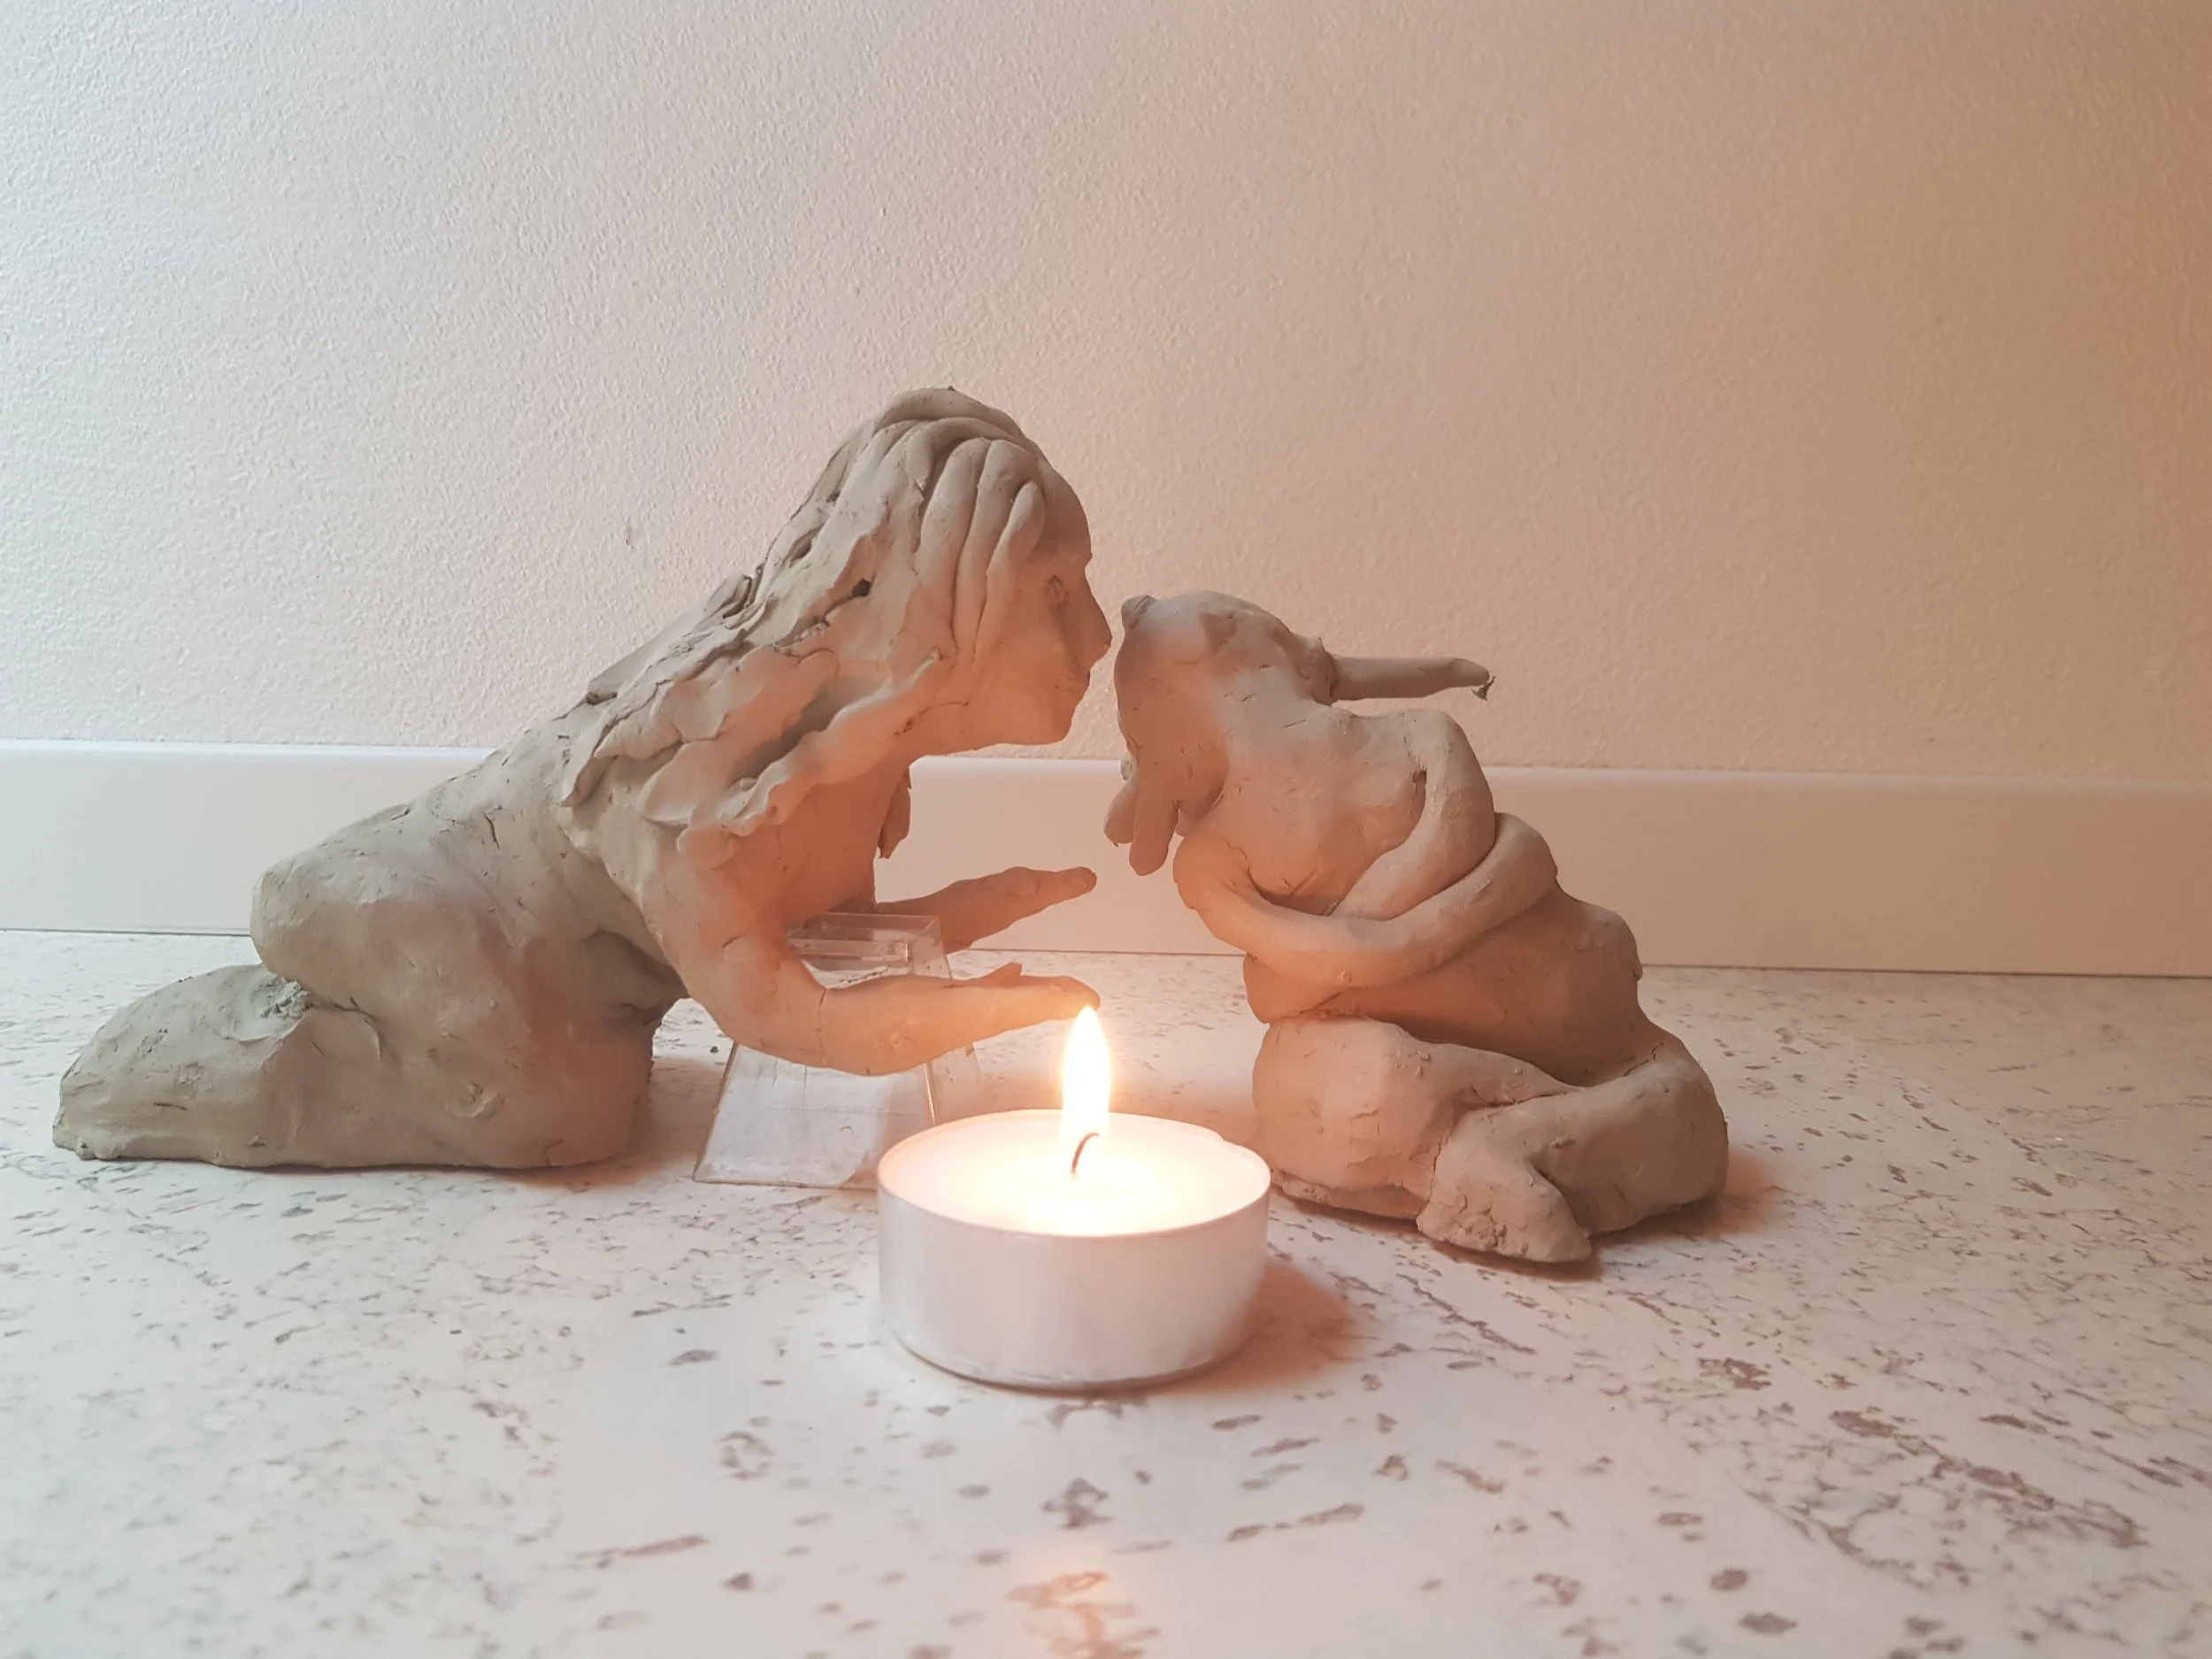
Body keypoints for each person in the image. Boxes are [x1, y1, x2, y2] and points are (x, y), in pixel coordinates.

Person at [58, 390, 1110, 1170]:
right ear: (932, 620)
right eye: (1054, 590)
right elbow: (796, 1020)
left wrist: (979, 912)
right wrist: (991, 1013)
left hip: (551, 976)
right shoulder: (692, 788)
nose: (1096, 633)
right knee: (561, 1112)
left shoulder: (846, 768)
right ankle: (226, 1064)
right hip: (403, 901)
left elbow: (821, 955)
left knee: (591, 1093)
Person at [1108, 591, 1726, 1262]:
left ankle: (1503, 1143)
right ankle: (1500, 1147)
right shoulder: (1414, 740)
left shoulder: (1416, 739)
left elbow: (1331, 958)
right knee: (1325, 1076)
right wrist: (1508, 869)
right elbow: (1413, 900)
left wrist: (1334, 965)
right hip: (1529, 1002)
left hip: (1581, 998)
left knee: (1304, 1070)